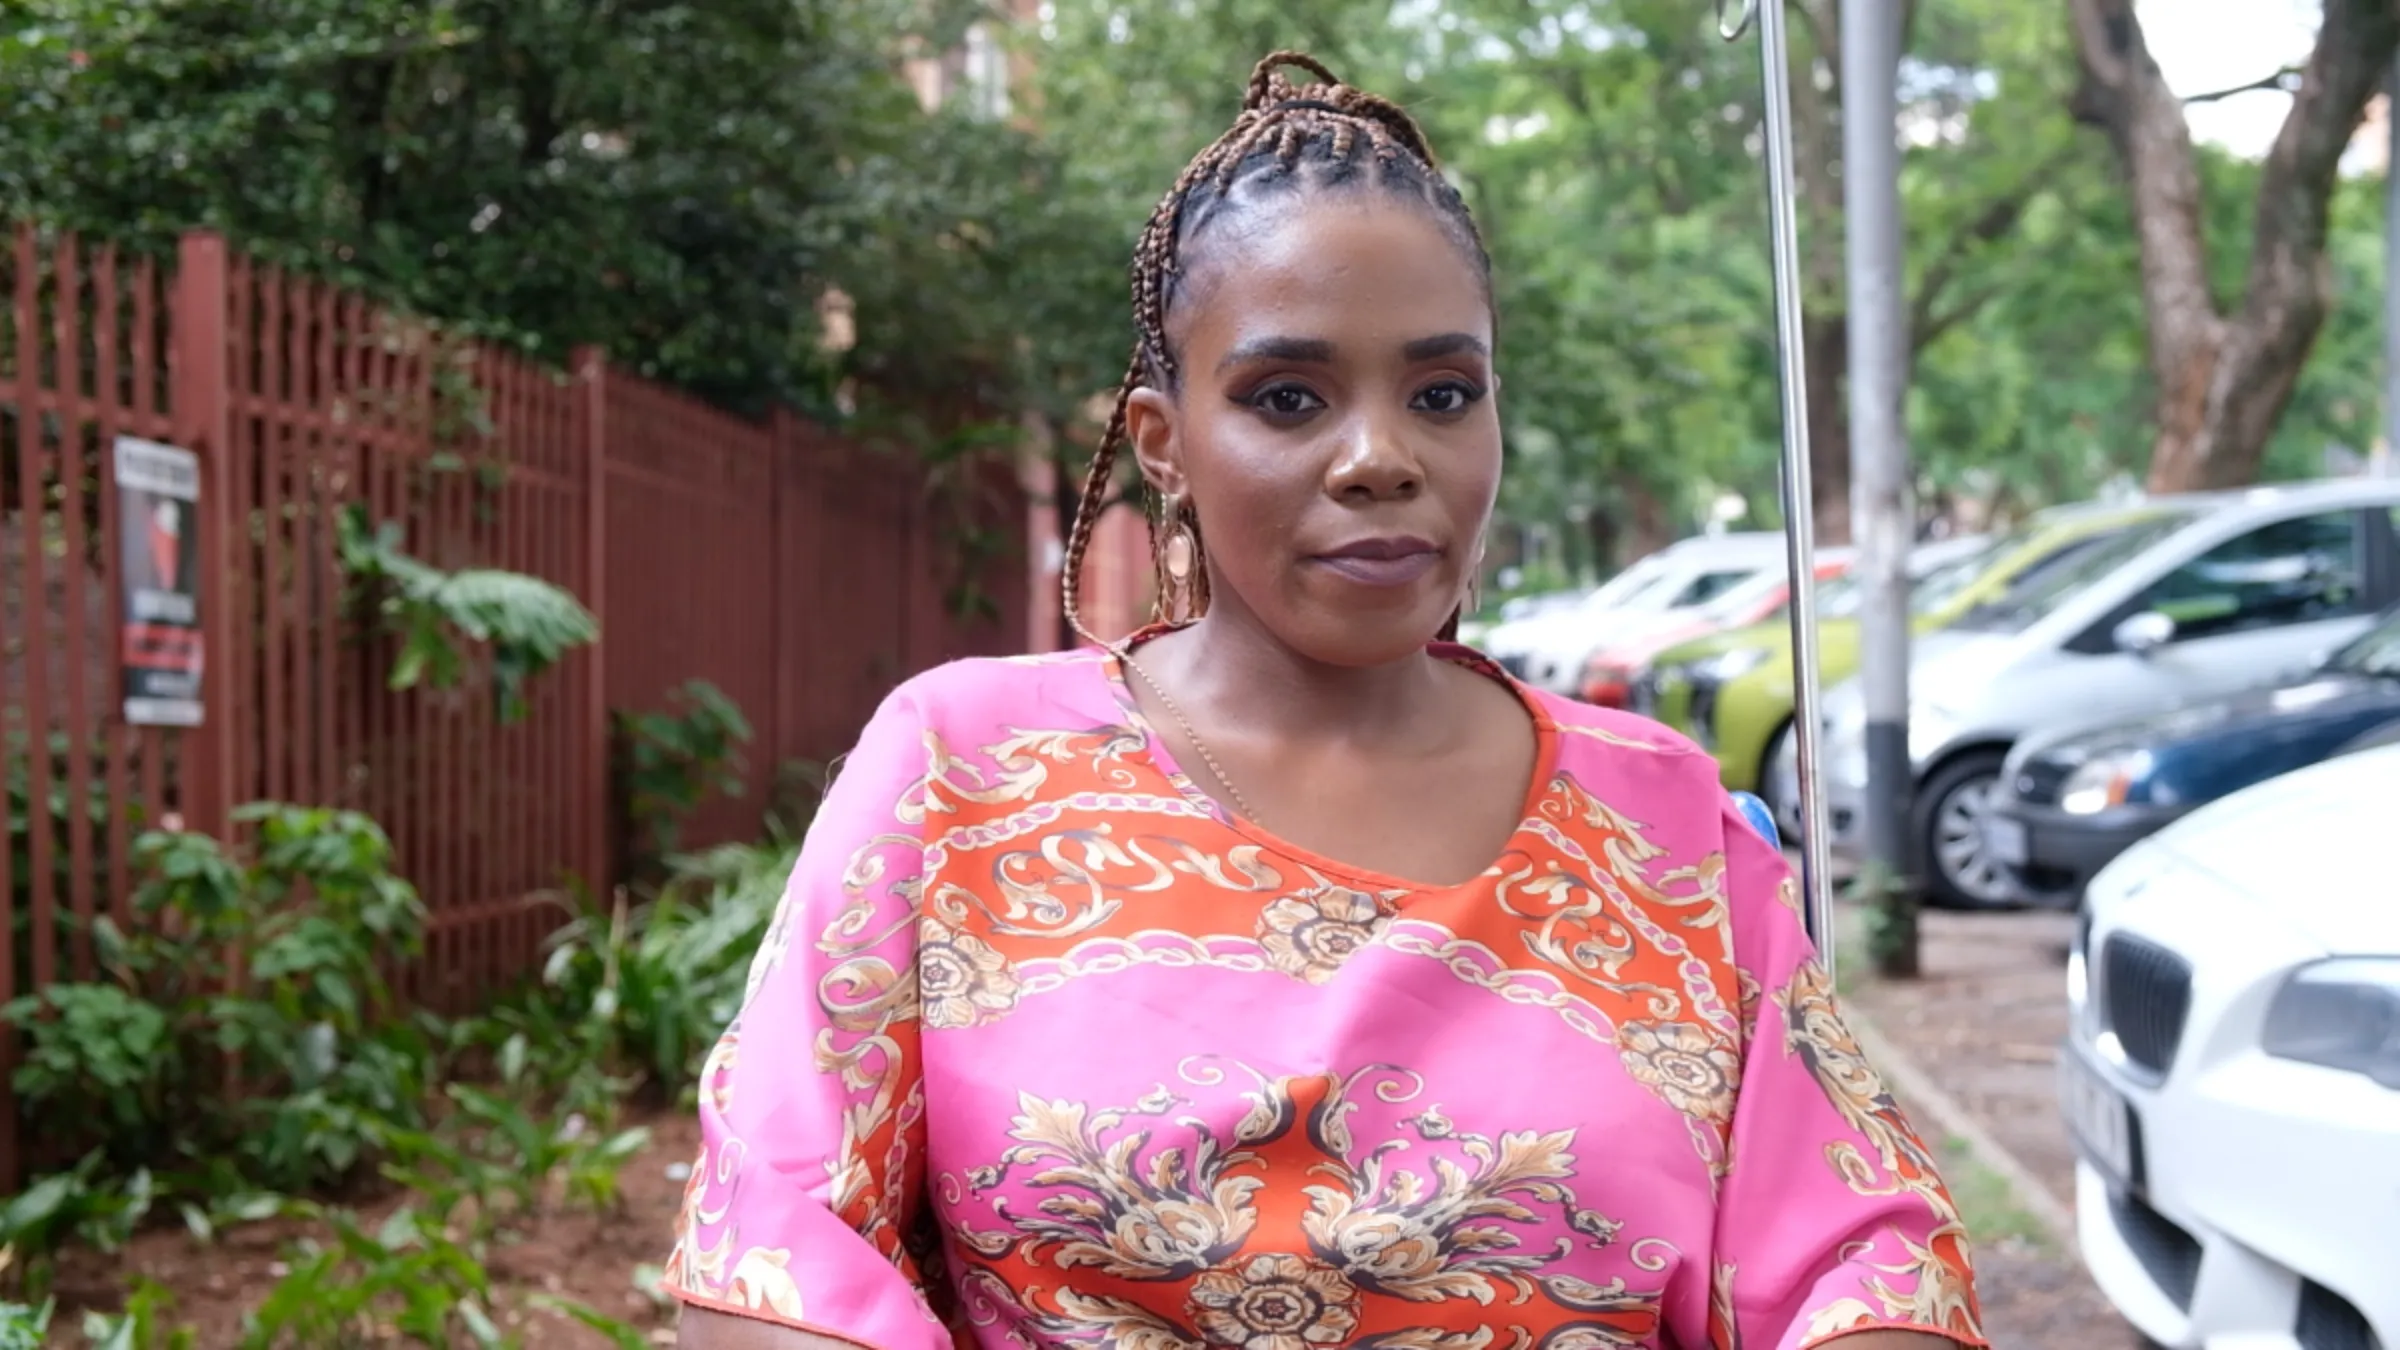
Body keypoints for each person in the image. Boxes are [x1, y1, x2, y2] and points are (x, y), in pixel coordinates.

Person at [665, 53, 1985, 1350]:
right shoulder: (960, 773)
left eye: (1442, 393)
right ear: (1163, 444)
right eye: (1288, 397)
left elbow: (1871, 1263)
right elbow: (771, 1240)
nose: (1380, 458)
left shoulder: (1669, 825)